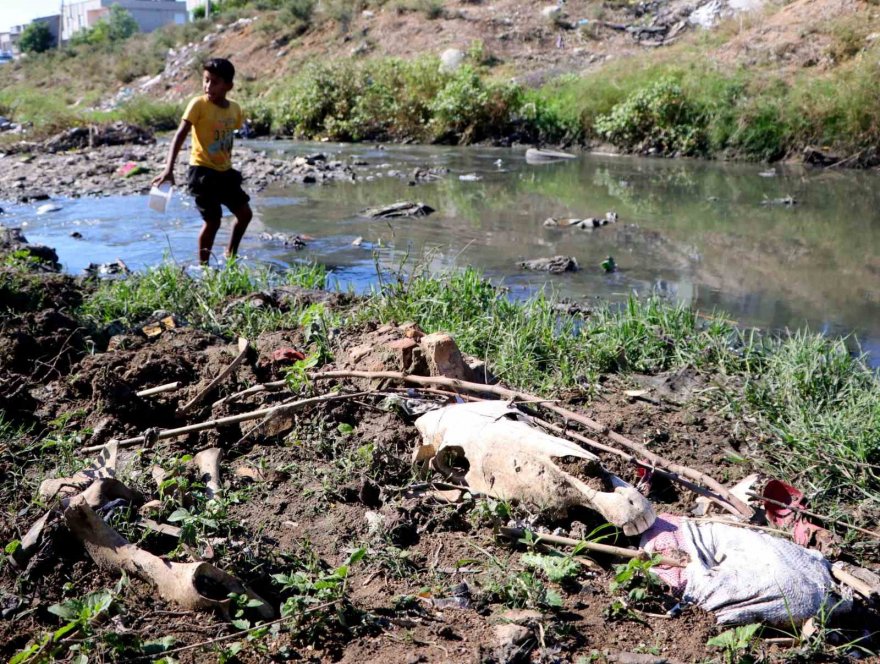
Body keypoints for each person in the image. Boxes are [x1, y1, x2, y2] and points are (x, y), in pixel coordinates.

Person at [152, 57, 253, 264]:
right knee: (213, 221)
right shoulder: (198, 104)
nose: (208, 86)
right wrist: (168, 169)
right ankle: (204, 268)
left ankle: (230, 254)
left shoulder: (235, 109)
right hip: (202, 172)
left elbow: (228, 137)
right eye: (206, 80)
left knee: (245, 214)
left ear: (228, 86)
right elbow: (180, 135)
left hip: (225, 172)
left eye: (215, 82)